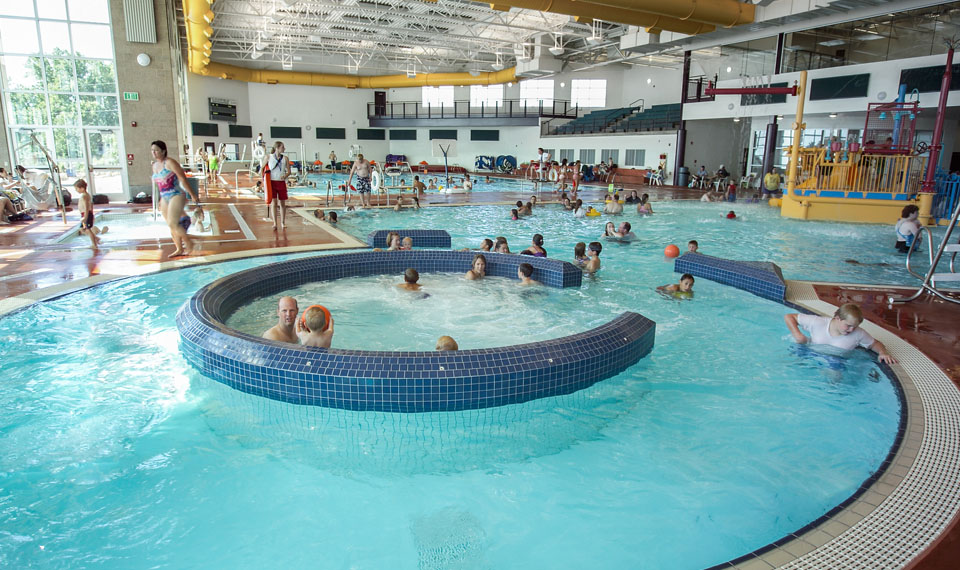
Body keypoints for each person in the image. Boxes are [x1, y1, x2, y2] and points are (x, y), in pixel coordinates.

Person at [784, 303, 896, 364]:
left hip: (834, 361)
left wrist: (882, 352)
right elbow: (789, 317)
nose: (851, 330)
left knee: (834, 383)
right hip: (809, 351)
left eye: (855, 326)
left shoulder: (858, 334)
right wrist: (798, 335)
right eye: (848, 325)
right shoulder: (818, 322)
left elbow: (874, 343)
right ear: (837, 318)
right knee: (790, 364)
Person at [151, 140, 202, 258]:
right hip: (164, 196)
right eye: (152, 150)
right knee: (170, 226)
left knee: (172, 223)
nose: (154, 153)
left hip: (176, 194)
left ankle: (189, 242)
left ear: (163, 151)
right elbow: (158, 185)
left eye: (156, 150)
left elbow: (183, 179)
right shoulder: (155, 166)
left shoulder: (170, 163)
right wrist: (159, 200)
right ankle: (179, 248)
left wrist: (193, 195)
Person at [74, 179, 108, 249]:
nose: (76, 190)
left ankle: (94, 244)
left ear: (82, 188)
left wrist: (85, 217)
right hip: (86, 214)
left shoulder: (84, 196)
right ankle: (96, 239)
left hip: (86, 214)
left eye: (76, 188)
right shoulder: (86, 195)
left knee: (88, 230)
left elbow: (87, 207)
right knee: (82, 229)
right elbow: (91, 205)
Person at [264, 141, 289, 230]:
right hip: (271, 182)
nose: (284, 149)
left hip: (281, 182)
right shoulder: (268, 157)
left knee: (282, 203)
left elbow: (289, 171)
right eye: (283, 147)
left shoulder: (285, 158)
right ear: (277, 148)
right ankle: (275, 222)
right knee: (273, 203)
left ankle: (283, 222)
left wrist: (285, 176)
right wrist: (264, 182)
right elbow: (262, 169)